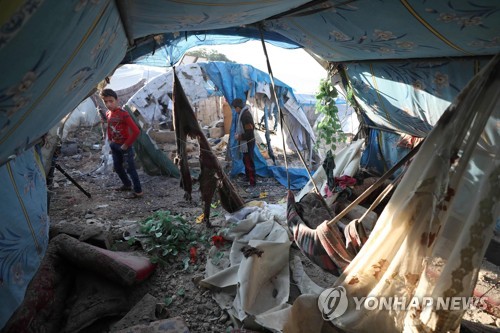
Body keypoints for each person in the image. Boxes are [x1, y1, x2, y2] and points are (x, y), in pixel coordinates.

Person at [100, 88, 143, 198]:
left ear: (117, 100)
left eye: (111, 101)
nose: (108, 104)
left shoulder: (123, 114)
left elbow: (136, 131)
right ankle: (127, 184)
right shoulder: (108, 113)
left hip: (125, 146)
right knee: (118, 167)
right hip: (114, 145)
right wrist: (110, 139)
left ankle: (138, 191)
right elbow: (109, 127)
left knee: (130, 169)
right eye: (106, 102)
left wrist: (126, 144)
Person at [232, 98, 256, 187]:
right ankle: (247, 177)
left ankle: (252, 182)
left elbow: (249, 133)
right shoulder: (242, 114)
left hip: (248, 142)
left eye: (235, 108)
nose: (235, 110)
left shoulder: (245, 116)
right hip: (246, 142)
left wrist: (240, 137)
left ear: (238, 107)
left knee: (249, 161)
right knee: (246, 160)